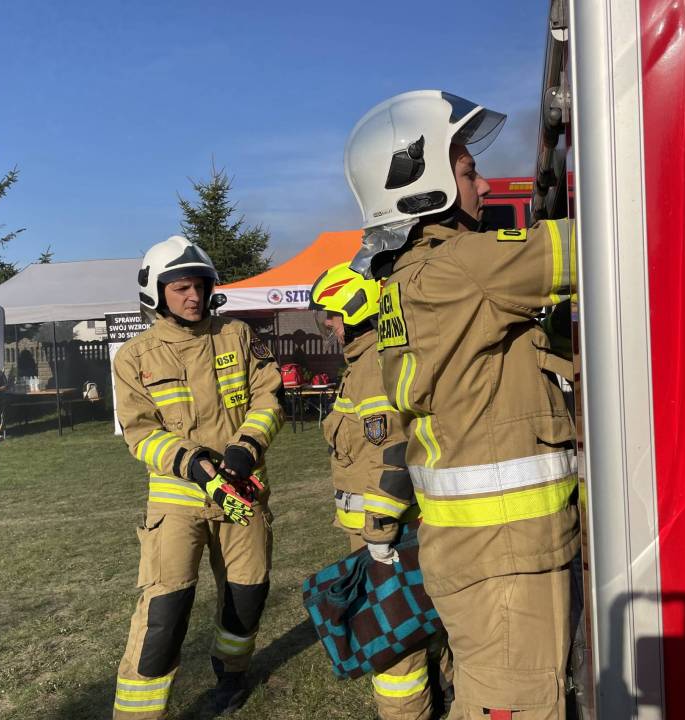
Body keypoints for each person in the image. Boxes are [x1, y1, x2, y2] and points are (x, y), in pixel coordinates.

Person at [344, 90, 578, 719]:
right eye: (470, 172)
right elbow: (607, 244)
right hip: (506, 554)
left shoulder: (406, 283)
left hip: (474, 550)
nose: (485, 185)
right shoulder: (468, 268)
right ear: (425, 189)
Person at [111, 235, 284, 719]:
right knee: (164, 614)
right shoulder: (135, 356)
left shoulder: (237, 335)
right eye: (181, 288)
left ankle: (231, 678)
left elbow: (269, 398)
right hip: (178, 502)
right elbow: (140, 433)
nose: (193, 297)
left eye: (200, 286)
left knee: (246, 596)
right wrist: (190, 463)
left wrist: (247, 446)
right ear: (156, 293)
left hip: (240, 497)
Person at [310, 262, 453, 720]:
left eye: (331, 316)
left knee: (395, 645)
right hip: (387, 531)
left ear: (353, 310)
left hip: (387, 536)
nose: (328, 326)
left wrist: (379, 530)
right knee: (428, 624)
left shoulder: (371, 367)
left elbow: (391, 450)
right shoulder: (367, 362)